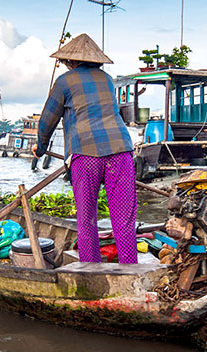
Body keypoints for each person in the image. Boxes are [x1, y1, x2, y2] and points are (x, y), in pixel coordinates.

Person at [33, 34, 137, 264]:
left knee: (87, 218)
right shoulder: (108, 80)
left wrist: (40, 148)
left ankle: (91, 268)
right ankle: (130, 268)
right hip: (121, 152)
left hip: (86, 154)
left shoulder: (64, 81)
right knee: (123, 218)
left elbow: (47, 120)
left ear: (70, 61)